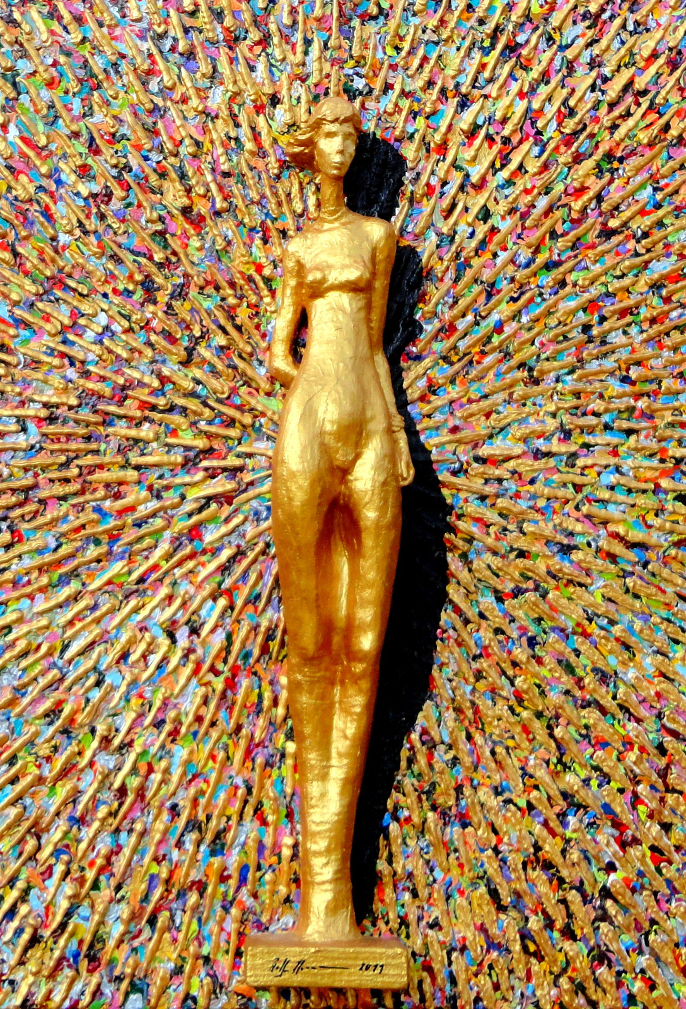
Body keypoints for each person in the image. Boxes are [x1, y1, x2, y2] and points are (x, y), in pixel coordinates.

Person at [268, 95, 415, 941]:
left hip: (368, 429)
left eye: (350, 134)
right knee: (312, 645)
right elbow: (276, 350)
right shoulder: (298, 249)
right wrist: (309, 392)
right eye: (329, 131)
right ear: (311, 145)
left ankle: (337, 908)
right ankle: (319, 894)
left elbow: (375, 345)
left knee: (365, 645)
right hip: (307, 434)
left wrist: (390, 428)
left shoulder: (377, 239)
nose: (341, 145)